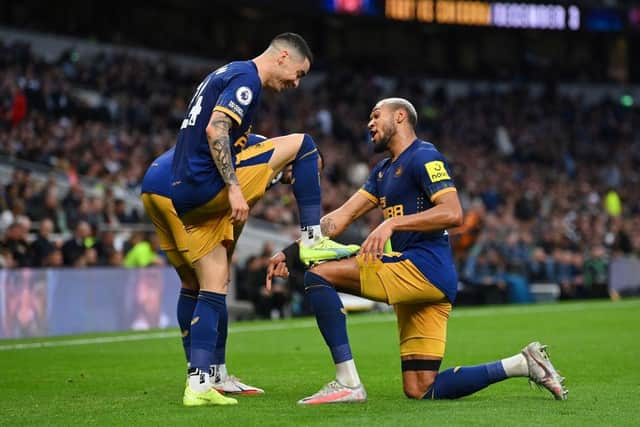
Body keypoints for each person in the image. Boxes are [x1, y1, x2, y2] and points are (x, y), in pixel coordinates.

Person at [266, 98, 568, 404]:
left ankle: (347, 382)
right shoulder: (383, 172)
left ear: (400, 117)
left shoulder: (424, 156)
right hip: (426, 281)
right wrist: (291, 253)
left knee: (319, 275)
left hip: (423, 267)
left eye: (375, 116)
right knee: (421, 388)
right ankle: (522, 364)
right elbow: (339, 218)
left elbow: (453, 212)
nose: (368, 123)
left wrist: (392, 225)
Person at [142, 133, 309, 398]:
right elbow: (237, 211)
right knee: (213, 283)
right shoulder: (268, 153)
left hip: (153, 182)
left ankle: (198, 370)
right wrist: (225, 259)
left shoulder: (260, 151)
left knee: (191, 283)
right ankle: (212, 375)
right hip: (178, 186)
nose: (296, 180)